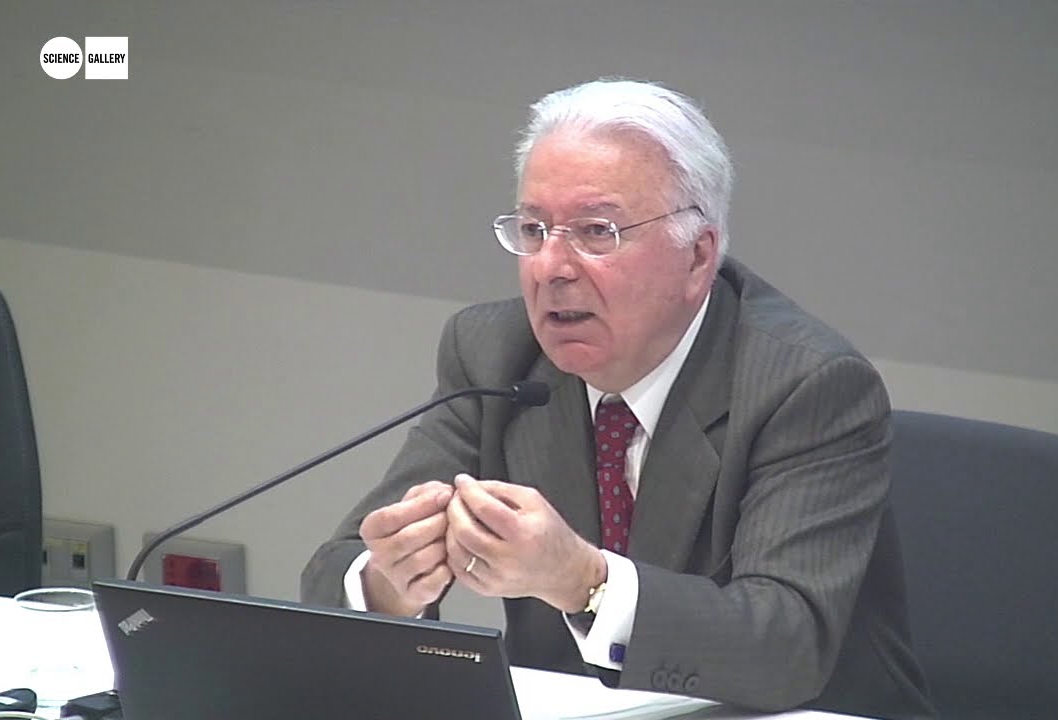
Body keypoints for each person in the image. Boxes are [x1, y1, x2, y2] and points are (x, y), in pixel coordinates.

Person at [302, 79, 933, 719]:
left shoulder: (804, 383)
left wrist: (584, 582)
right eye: (534, 229)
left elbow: (784, 645)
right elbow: (334, 572)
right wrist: (389, 584)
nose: (551, 267)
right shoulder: (494, 354)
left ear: (698, 256)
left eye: (596, 232)